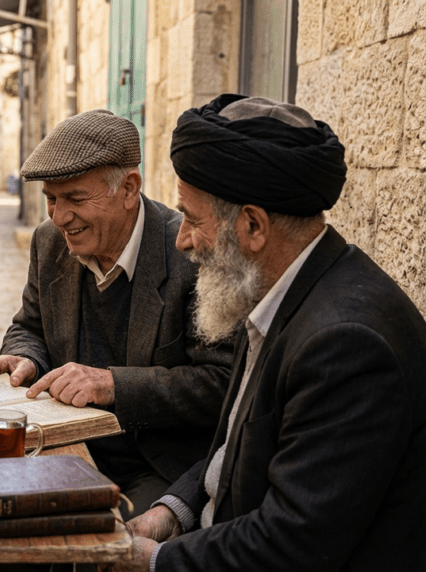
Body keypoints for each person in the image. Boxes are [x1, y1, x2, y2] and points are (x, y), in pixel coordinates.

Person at [117, 95, 426, 571]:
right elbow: (234, 453)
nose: (182, 241)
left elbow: (292, 543)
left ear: (253, 226)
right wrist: (169, 513)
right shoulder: (276, 292)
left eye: (193, 220)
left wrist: (156, 560)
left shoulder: (345, 345)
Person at [0, 110, 234, 523]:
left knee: (101, 539)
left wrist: (113, 384)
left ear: (129, 188)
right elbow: (29, 325)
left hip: (154, 462)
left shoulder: (190, 254)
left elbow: (221, 383)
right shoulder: (51, 242)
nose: (59, 216)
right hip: (63, 444)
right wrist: (25, 356)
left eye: (76, 199)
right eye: (51, 199)